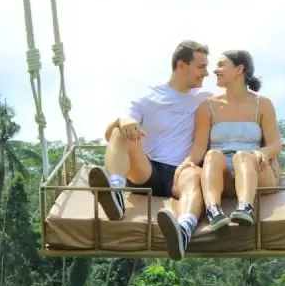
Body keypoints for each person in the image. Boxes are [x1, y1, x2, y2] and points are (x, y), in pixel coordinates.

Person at [86, 39, 213, 260]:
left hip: (181, 172)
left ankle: (184, 230)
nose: (206, 73)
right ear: (182, 65)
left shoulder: (206, 99)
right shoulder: (148, 97)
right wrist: (122, 120)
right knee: (119, 131)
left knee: (194, 174)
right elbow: (111, 135)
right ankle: (115, 192)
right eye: (201, 66)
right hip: (148, 170)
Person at [180, 49, 283, 231]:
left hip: (255, 170)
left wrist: (261, 153)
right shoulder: (207, 107)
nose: (215, 70)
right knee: (212, 155)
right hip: (224, 176)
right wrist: (186, 164)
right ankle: (213, 210)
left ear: (239, 69)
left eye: (221, 65)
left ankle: (245, 207)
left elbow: (275, 145)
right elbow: (199, 148)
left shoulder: (263, 104)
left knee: (243, 156)